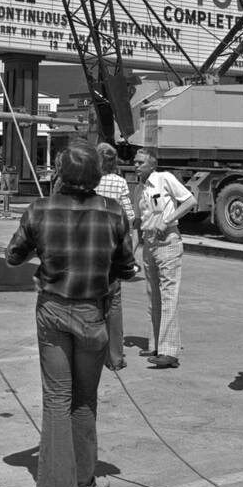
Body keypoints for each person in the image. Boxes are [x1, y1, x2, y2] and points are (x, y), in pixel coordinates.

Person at [5, 140, 139, 487]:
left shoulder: (40, 209)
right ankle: (83, 479)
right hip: (92, 315)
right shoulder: (112, 212)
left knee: (56, 400)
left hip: (53, 311)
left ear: (61, 174)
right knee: (84, 400)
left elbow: (13, 256)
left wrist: (44, 255)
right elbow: (127, 266)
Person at [135, 147, 195, 369]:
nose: (136, 165)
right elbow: (138, 220)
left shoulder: (164, 179)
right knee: (153, 295)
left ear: (152, 164)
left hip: (167, 241)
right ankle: (156, 344)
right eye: (135, 161)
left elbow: (189, 201)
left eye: (141, 162)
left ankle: (169, 351)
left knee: (168, 294)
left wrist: (168, 220)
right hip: (149, 242)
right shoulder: (140, 189)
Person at [95, 142, 137, 371]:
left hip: (90, 247)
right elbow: (129, 215)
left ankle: (90, 354)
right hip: (112, 248)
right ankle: (115, 357)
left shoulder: (90, 182)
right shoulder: (120, 183)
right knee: (114, 303)